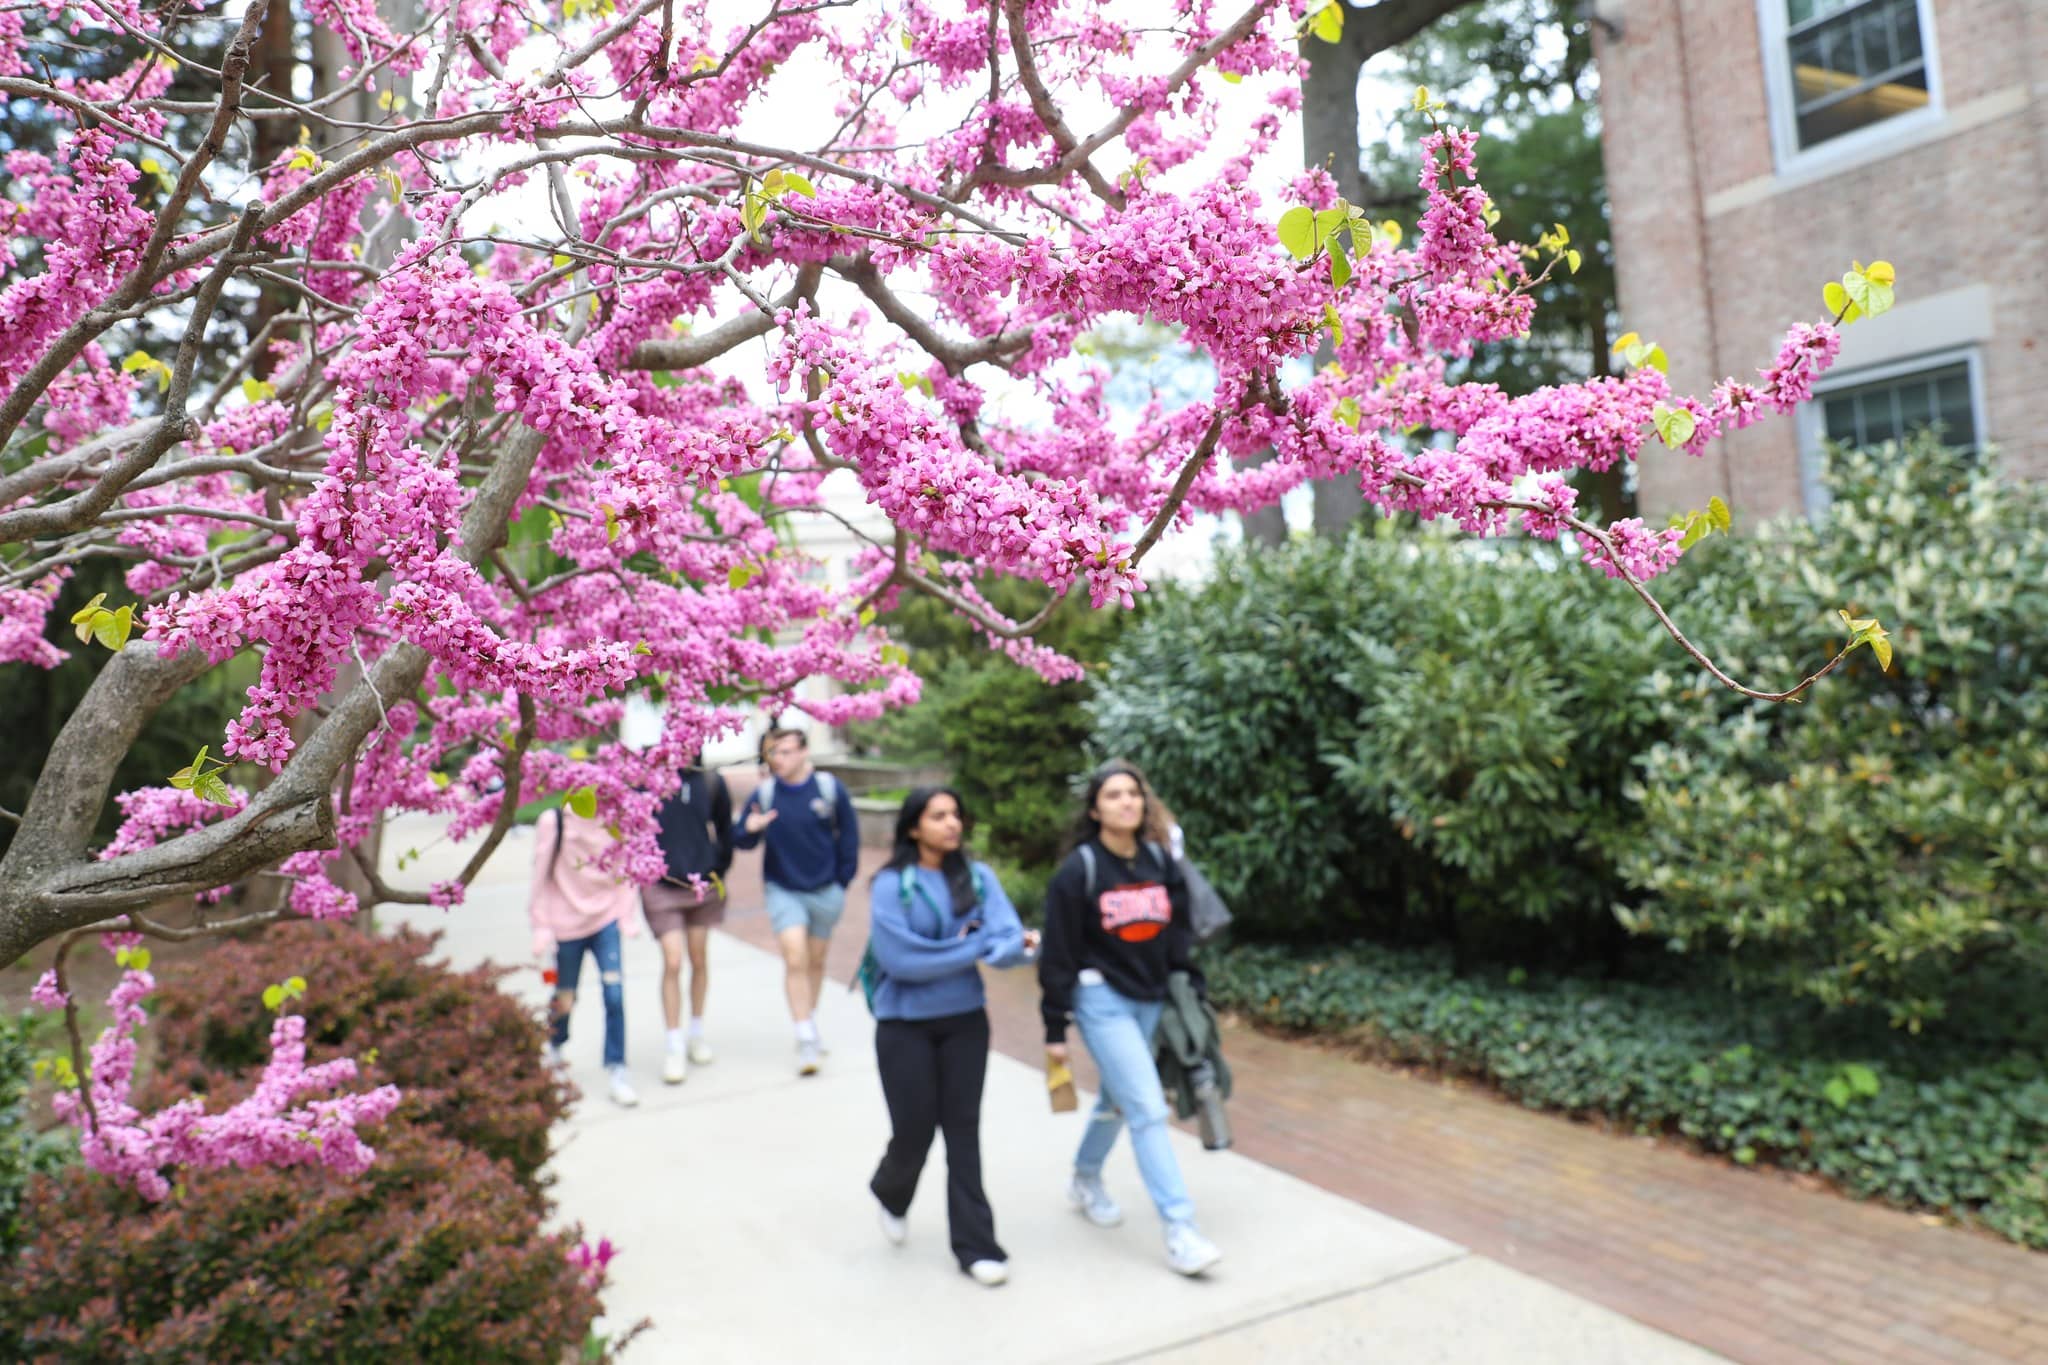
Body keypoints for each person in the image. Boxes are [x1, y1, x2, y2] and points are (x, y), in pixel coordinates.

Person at [1038, 759, 1222, 1277]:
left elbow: (1178, 935)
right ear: (1095, 809)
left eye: (1134, 794)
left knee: (1118, 1100)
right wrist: (1055, 1029)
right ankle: (1181, 1230)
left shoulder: (1159, 862)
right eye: (1114, 795)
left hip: (1150, 997)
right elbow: (1058, 953)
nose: (1127, 802)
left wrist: (1187, 987)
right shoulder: (1081, 870)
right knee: (1146, 1108)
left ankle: (1085, 1175)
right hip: (1102, 1001)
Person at [865, 787, 1038, 1287]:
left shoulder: (978, 878)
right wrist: (975, 947)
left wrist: (1018, 946)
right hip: (903, 1026)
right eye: (938, 816)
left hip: (965, 1021)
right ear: (913, 827)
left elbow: (1007, 942)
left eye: (956, 814)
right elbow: (902, 961)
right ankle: (891, 1192)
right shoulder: (891, 884)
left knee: (963, 1131)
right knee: (914, 1131)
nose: (951, 823)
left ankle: (976, 1246)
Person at [733, 726, 860, 1076]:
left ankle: (810, 1021)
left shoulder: (828, 789)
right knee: (795, 957)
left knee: (816, 961)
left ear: (804, 751)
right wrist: (751, 828)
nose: (779, 759)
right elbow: (740, 839)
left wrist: (842, 882)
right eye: (773, 753)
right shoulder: (766, 793)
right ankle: (805, 1036)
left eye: (786, 751)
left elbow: (849, 837)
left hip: (825, 890)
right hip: (783, 889)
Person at [532, 804, 643, 1107]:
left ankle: (617, 1066)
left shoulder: (617, 817)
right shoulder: (553, 821)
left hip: (606, 918)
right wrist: (541, 925)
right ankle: (555, 1048)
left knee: (614, 994)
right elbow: (540, 876)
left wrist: (626, 915)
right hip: (565, 922)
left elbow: (626, 870)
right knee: (564, 996)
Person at [642, 759, 734, 1084]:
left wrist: (718, 868)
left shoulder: (709, 781)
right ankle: (674, 1042)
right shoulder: (648, 777)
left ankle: (696, 1030)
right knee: (673, 960)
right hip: (661, 884)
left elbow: (725, 829)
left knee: (698, 957)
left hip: (701, 884)